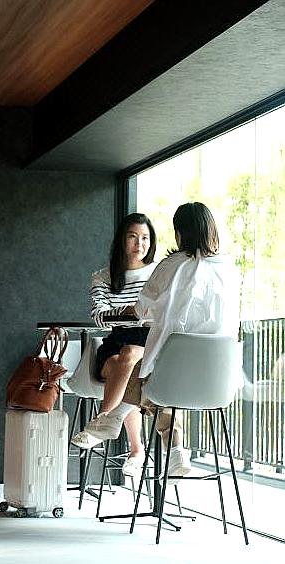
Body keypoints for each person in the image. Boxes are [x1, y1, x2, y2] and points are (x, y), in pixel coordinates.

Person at [72, 202, 240, 481]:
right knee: (152, 372)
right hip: (218, 380)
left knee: (152, 375)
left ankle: (113, 418)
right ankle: (173, 451)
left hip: (172, 376)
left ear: (179, 233)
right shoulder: (229, 269)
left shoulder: (170, 266)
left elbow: (141, 310)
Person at [70, 212, 157, 478]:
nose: (140, 244)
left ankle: (104, 418)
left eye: (145, 238)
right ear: (122, 240)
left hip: (148, 342)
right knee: (125, 366)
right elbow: (99, 315)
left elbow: (162, 313)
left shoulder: (157, 274)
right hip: (115, 343)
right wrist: (133, 310)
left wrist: (131, 313)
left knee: (130, 357)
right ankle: (136, 449)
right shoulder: (103, 277)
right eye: (133, 237)